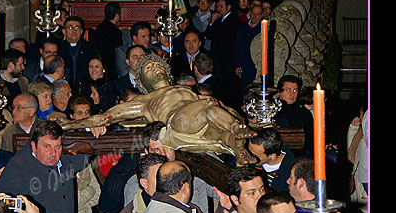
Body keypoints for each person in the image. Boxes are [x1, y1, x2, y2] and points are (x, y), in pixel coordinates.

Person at [59, 50, 258, 165]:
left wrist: (231, 112)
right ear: (144, 79)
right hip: (180, 123)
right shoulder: (145, 100)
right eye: (148, 67)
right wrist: (67, 126)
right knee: (209, 107)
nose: (155, 67)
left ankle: (239, 151)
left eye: (158, 64)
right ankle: (236, 131)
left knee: (222, 129)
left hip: (205, 119)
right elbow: (106, 117)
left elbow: (216, 106)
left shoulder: (184, 88)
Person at [123, 120, 218, 213]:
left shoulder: (195, 176)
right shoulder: (136, 184)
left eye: (167, 148)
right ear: (147, 152)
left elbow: (224, 189)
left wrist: (203, 150)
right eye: (156, 150)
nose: (163, 154)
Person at [207, 0, 240, 105]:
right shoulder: (218, 20)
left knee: (227, 86)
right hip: (217, 58)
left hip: (227, 59)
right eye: (217, 6)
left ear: (229, 7)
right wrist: (212, 22)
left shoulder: (234, 21)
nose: (218, 9)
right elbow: (209, 35)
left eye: (221, 6)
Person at [274, 74, 314, 156]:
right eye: (288, 90)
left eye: (295, 90)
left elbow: (311, 139)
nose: (292, 94)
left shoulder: (304, 112)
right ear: (279, 91)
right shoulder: (273, 110)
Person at [248, 127, 296, 191]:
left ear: (272, 156)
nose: (249, 157)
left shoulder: (292, 170)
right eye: (248, 151)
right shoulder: (247, 162)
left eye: (255, 155)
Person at [233, 0, 264, 94]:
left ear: (262, 15)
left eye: (258, 14)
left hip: (256, 67)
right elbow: (237, 48)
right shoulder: (242, 28)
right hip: (243, 67)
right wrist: (237, 65)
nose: (255, 16)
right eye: (253, 13)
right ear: (250, 13)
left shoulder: (263, 29)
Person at [58, 15, 96, 93]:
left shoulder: (90, 49)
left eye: (77, 28)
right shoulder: (59, 48)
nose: (74, 31)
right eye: (70, 27)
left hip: (85, 90)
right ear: (64, 31)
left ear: (81, 31)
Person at [91, 1, 123, 79]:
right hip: (111, 64)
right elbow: (119, 50)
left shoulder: (100, 27)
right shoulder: (115, 31)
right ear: (116, 15)